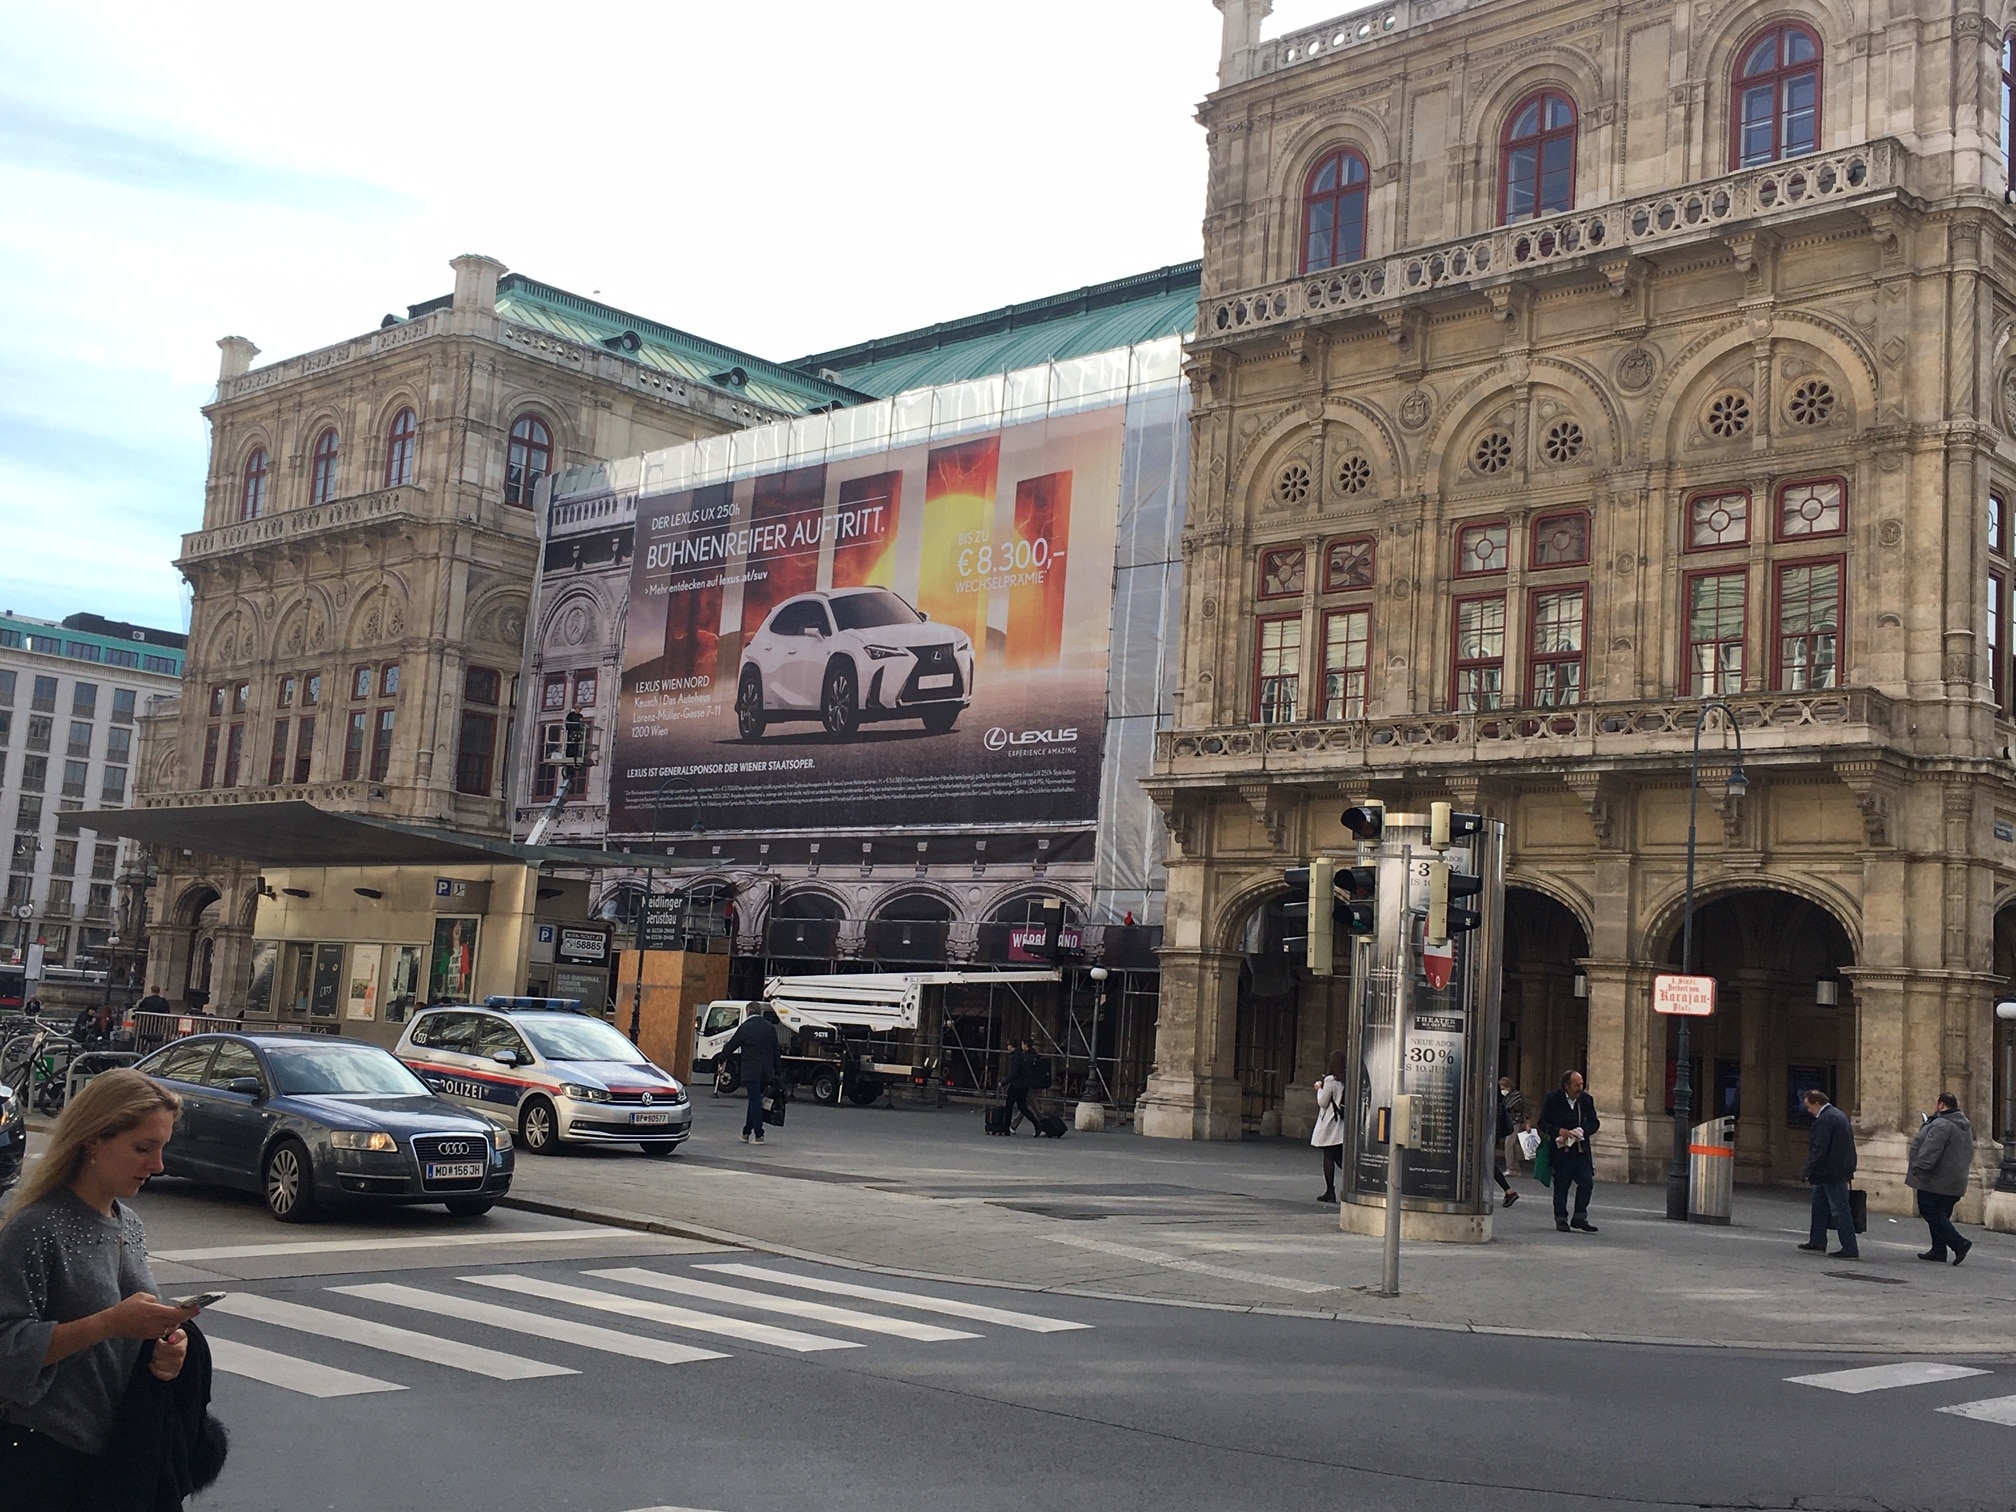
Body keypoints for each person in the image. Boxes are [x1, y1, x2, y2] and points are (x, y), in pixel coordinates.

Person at [0, 1068, 207, 1509]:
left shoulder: (128, 1224)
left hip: (120, 1455)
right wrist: (111, 1324)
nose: (158, 1165)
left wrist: (167, 1347)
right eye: (143, 1148)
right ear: (93, 1140)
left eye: (162, 1149)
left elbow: (125, 1332)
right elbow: (6, 1348)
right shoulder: (35, 1228)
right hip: (44, 1458)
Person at [1907, 1092, 1974, 1265]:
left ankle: (1959, 1243)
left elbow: (1931, 1150)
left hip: (1937, 1179)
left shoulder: (1942, 1125)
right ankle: (1938, 1249)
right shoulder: (1963, 1125)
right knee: (1942, 1212)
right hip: (1956, 1179)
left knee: (1929, 1209)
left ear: (1942, 1105)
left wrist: (1919, 1169)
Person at [1797, 1088, 1859, 1258]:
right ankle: (1817, 1240)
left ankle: (1849, 1247)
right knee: (1819, 1203)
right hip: (1834, 1169)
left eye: (1809, 1107)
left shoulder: (1827, 1119)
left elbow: (1819, 1148)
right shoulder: (1837, 1115)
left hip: (1832, 1171)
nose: (1809, 1111)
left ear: (1817, 1103)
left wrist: (1806, 1169)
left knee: (1840, 1208)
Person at [1538, 1070, 1599, 1233]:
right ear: (1566, 1086)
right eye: (1576, 1084)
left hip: (1580, 1150)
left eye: (1581, 1084)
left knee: (1587, 1181)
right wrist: (1559, 1131)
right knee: (1562, 1185)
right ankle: (1561, 1218)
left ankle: (1580, 1216)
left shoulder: (1586, 1100)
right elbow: (1543, 1123)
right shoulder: (1553, 1099)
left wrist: (1583, 1130)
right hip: (1561, 1150)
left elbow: (1594, 1123)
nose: (1580, 1087)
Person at [724, 1008, 782, 1145]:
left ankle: (759, 1134)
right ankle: (746, 1132)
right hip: (766, 1071)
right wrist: (778, 1070)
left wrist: (722, 1058)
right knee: (755, 1100)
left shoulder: (745, 1027)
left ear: (748, 1011)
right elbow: (776, 1050)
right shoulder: (770, 1028)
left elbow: (732, 1045)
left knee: (755, 1101)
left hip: (751, 1070)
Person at [1311, 1051, 1347, 1203]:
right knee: (1338, 1155)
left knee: (1328, 1155)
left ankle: (1330, 1190)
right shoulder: (1345, 1079)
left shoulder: (1331, 1080)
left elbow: (1323, 1102)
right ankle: (1354, 1178)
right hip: (1341, 1122)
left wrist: (1319, 1089)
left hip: (1330, 1122)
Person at [1492, 1080, 1520, 1207]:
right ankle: (1509, 1191)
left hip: (1486, 1137)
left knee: (1487, 1164)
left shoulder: (1491, 1101)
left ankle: (1509, 1191)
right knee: (1487, 1164)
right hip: (1494, 1137)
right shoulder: (1498, 1100)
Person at [1003, 1039, 1037, 1135]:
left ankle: (1006, 1128)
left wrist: (1003, 1083)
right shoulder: (1022, 1055)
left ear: (1011, 1046)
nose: (1007, 1047)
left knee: (1009, 1106)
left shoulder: (1015, 1057)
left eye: (1008, 1045)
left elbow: (1014, 1073)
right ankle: (1037, 1124)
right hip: (1023, 1084)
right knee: (1022, 1107)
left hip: (1017, 1084)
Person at [1499, 1076, 1528, 1173]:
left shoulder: (1517, 1096)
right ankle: (1515, 1168)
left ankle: (1510, 1167)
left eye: (1504, 1088)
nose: (1502, 1090)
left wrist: (1527, 1122)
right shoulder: (1504, 1097)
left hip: (1516, 1122)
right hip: (1508, 1122)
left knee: (1508, 1144)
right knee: (1512, 1145)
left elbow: (1526, 1108)